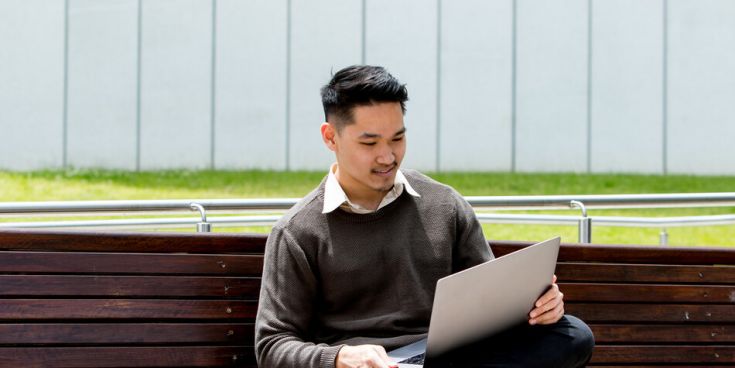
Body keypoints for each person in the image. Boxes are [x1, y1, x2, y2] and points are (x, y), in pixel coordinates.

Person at [255, 65, 594, 368]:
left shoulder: (443, 204)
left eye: (398, 138)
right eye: (369, 143)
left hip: (451, 357)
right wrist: (339, 357)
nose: (388, 156)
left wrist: (539, 307)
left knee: (572, 335)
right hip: (371, 366)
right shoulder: (297, 232)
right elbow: (272, 346)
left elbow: (493, 304)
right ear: (331, 137)